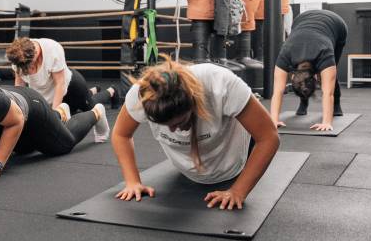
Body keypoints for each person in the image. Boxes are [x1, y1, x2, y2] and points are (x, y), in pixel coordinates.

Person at [111, 56, 279, 209]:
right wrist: (132, 181)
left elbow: (268, 138)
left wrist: (238, 191)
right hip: (187, 170)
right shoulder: (141, 95)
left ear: (192, 103)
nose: (172, 131)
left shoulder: (221, 84)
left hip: (232, 166)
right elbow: (121, 135)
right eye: (165, 125)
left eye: (178, 123)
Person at [269, 9, 348, 131]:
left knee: (331, 73)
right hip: (302, 20)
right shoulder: (285, 54)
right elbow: (277, 92)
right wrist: (273, 120)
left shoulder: (325, 54)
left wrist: (327, 122)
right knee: (320, 77)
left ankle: (336, 105)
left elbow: (328, 93)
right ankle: (303, 103)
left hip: (336, 24)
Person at [5, 37, 116, 119]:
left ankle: (112, 91)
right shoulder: (17, 57)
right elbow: (20, 87)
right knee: (71, 113)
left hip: (71, 86)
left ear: (34, 55)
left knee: (89, 109)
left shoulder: (52, 49)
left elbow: (60, 84)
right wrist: (19, 111)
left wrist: (55, 113)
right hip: (49, 93)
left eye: (29, 67)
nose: (28, 71)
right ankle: (93, 90)